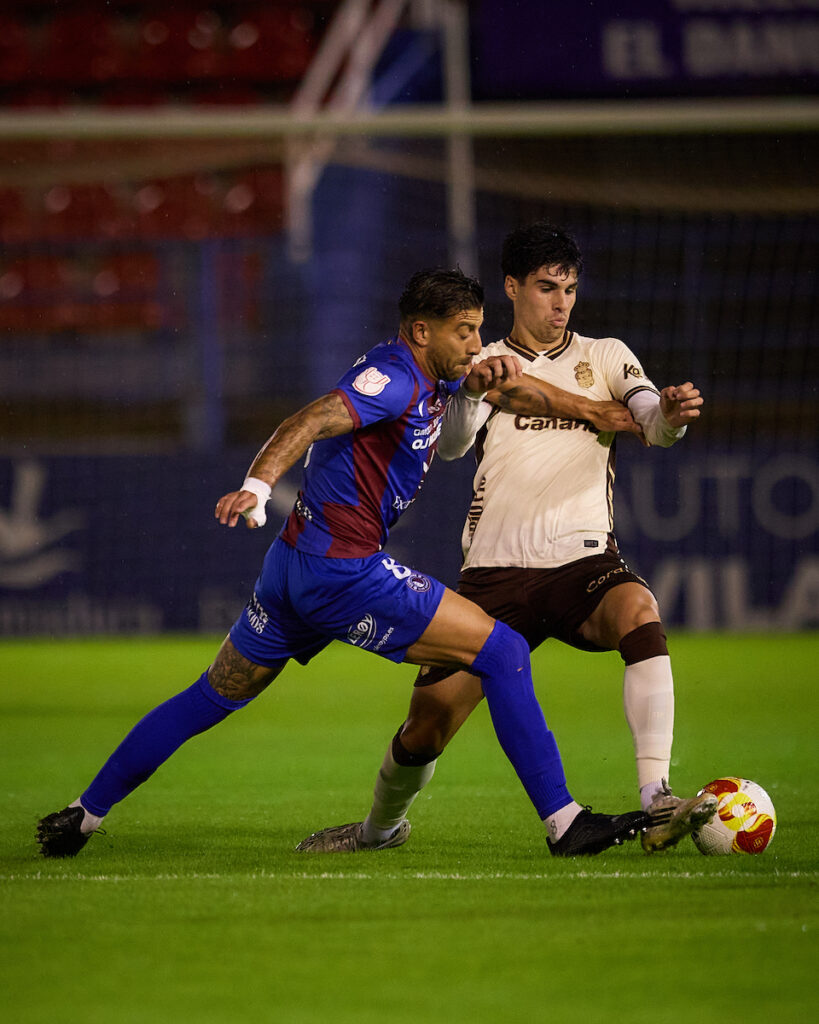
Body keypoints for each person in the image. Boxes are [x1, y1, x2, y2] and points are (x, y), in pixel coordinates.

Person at [36, 267, 649, 861]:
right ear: (420, 331)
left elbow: (500, 388)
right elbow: (311, 418)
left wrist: (589, 410)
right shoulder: (392, 379)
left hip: (290, 570)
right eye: (462, 330)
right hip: (345, 573)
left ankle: (81, 815)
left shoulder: (433, 374)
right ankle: (565, 824)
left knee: (209, 696)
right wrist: (256, 483)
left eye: (477, 328)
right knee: (506, 651)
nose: (474, 342)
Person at [296, 223, 717, 857]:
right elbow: (457, 444)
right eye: (548, 288)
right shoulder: (479, 357)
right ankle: (377, 831)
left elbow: (648, 420)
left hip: (581, 562)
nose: (561, 303)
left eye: (570, 289)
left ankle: (657, 799)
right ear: (513, 288)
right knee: (427, 727)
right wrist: (472, 387)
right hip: (494, 575)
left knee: (638, 611)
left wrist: (673, 418)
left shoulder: (605, 355)